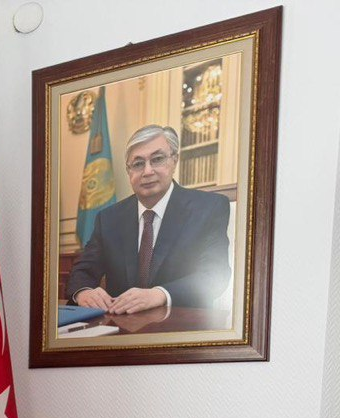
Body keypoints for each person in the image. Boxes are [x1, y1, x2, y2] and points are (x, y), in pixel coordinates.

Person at [66, 124, 232, 312]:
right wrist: (84, 292)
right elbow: (83, 270)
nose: (147, 171)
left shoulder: (208, 208)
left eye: (157, 159)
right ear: (128, 171)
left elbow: (214, 275)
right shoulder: (109, 218)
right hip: (121, 324)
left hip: (181, 323)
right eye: (138, 164)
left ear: (174, 161)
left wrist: (161, 294)